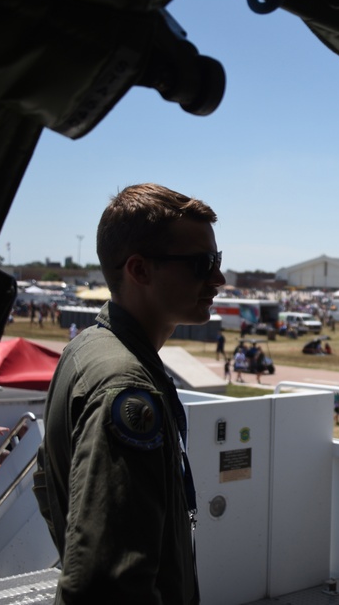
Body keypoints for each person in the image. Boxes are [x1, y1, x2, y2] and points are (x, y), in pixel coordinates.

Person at [35, 183, 222, 605]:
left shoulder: (87, 349)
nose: (219, 278)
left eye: (218, 260)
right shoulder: (125, 388)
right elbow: (107, 585)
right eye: (202, 264)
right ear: (138, 270)